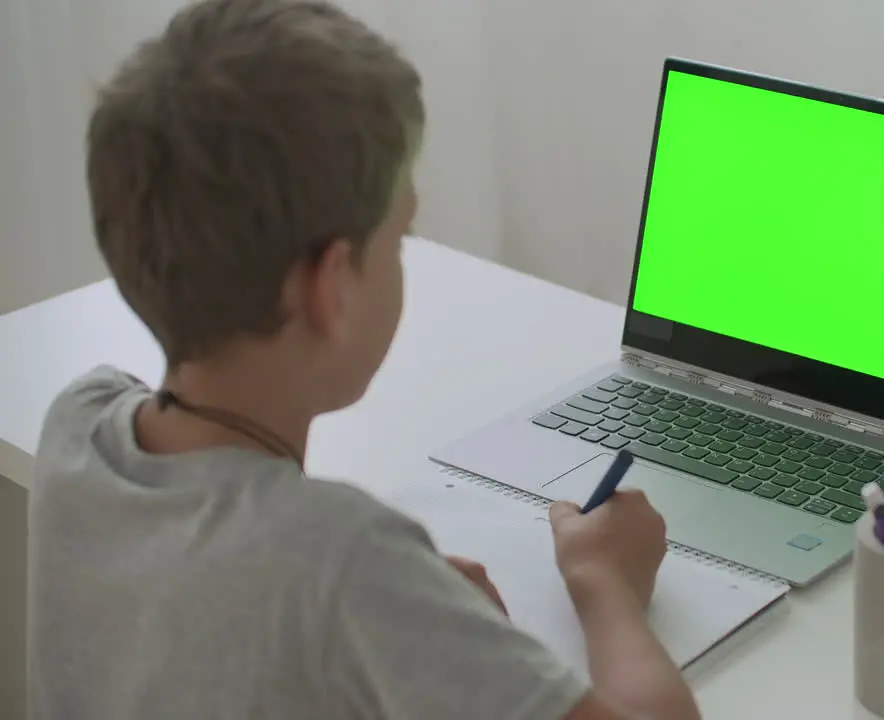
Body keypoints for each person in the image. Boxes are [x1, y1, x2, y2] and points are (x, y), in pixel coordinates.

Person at [26, 1, 700, 718]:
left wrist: (411, 616)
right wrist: (605, 583)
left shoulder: (78, 424)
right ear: (331, 287)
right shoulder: (346, 564)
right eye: (400, 237)